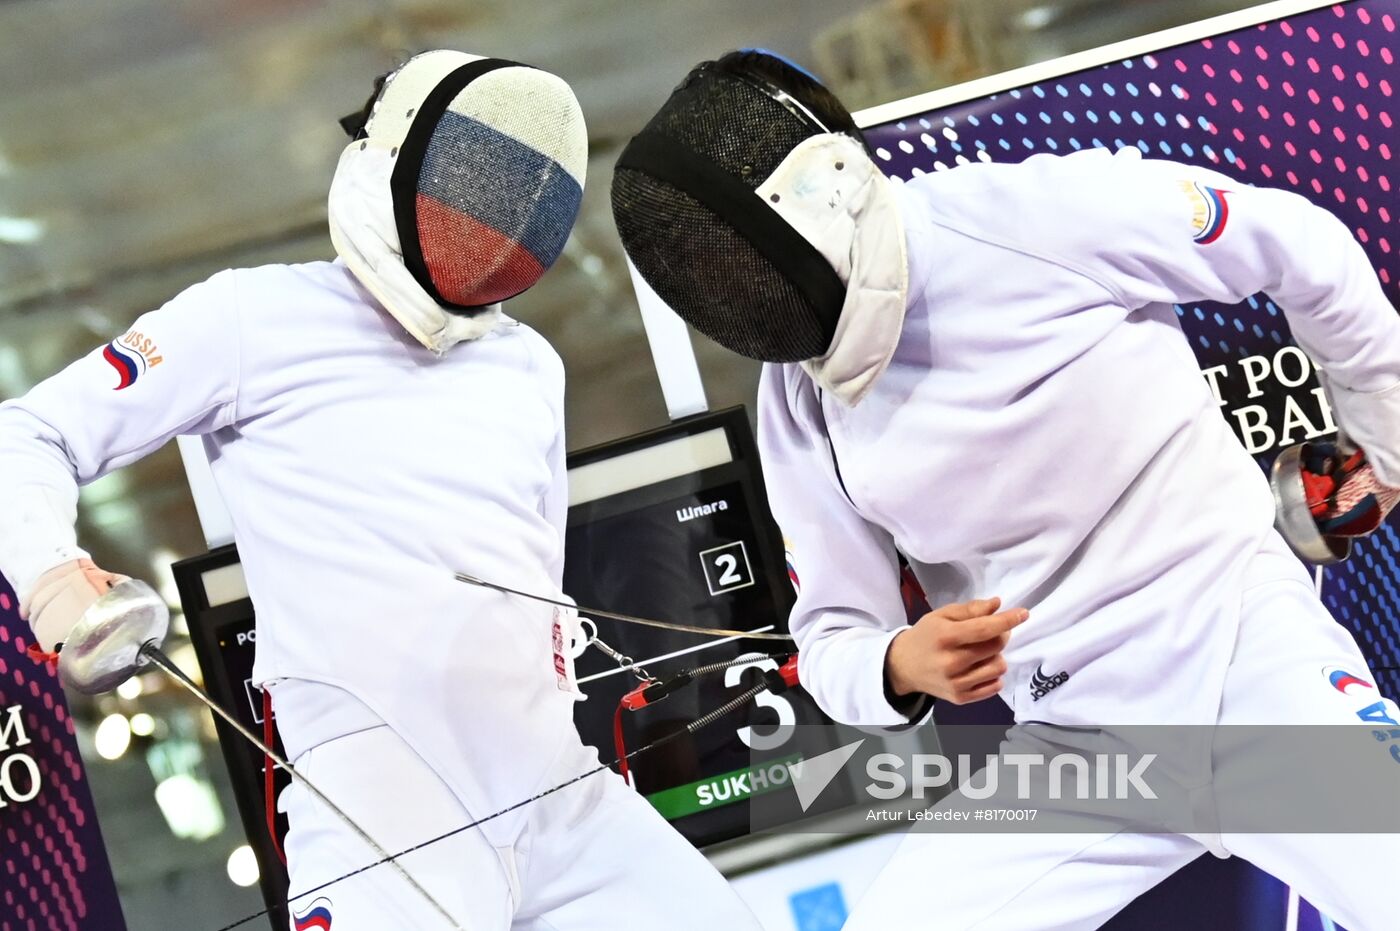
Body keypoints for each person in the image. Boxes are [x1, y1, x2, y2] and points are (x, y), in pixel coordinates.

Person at [611, 49, 1400, 930]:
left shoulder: (1041, 215)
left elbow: (1307, 250)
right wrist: (899, 665)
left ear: (830, 182)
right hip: (1077, 748)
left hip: (1241, 657)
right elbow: (833, 634)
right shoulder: (801, 400)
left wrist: (1386, 443)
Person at [0, 50, 760, 931]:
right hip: (383, 812)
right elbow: (26, 433)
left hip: (560, 790)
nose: (498, 221)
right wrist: (55, 582)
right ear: (394, 157)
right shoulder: (253, 319)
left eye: (522, 199)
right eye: (475, 185)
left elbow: (534, 577)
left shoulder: (528, 367)